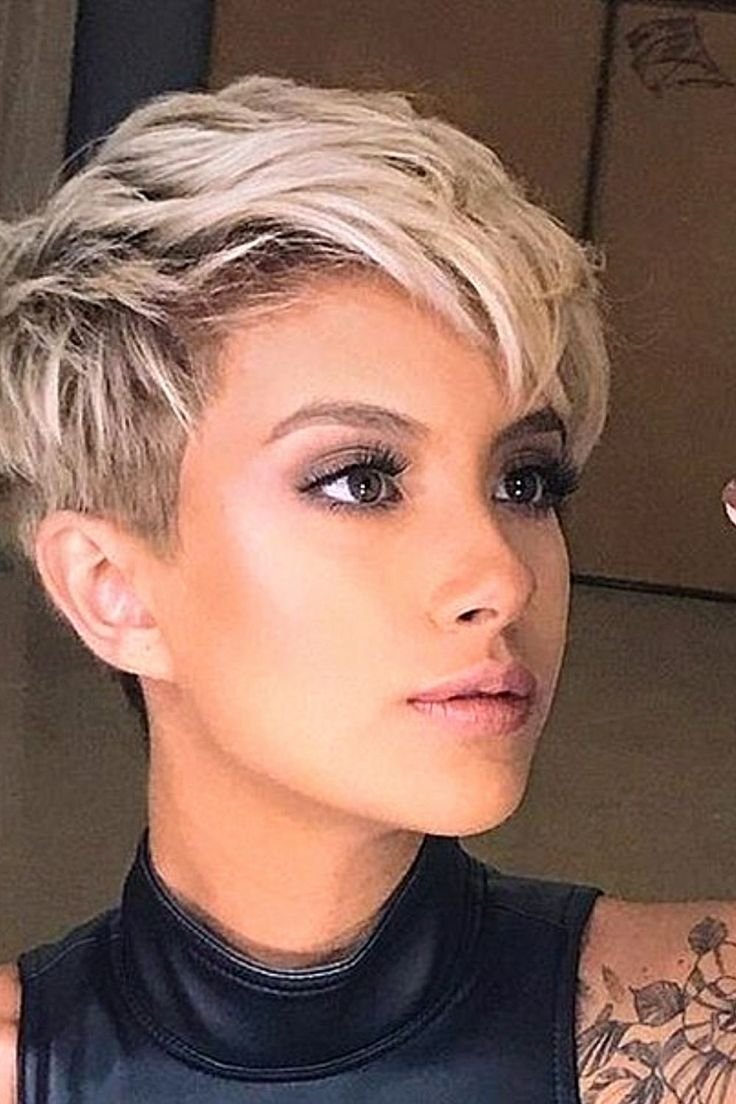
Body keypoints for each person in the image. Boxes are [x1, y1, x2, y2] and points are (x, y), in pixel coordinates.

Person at [0, 75, 733, 1104]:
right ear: (113, 588)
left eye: (524, 482)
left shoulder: (692, 1034)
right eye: (360, 480)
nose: (501, 575)